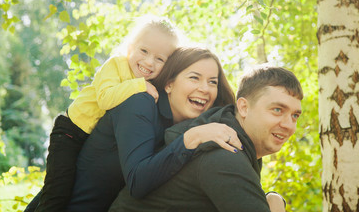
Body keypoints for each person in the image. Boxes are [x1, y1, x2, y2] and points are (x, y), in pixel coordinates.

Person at [25, 15, 181, 212]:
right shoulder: (116, 65)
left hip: (90, 139)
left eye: (160, 59)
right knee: (57, 191)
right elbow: (106, 99)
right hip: (70, 133)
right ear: (131, 46)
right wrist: (139, 85)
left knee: (67, 185)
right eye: (144, 51)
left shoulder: (148, 84)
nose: (149, 62)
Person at [66, 47, 243, 212]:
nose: (205, 89)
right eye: (194, 78)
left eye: (213, 82)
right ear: (169, 84)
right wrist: (192, 138)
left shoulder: (188, 128)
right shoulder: (140, 103)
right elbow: (137, 183)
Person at [109, 65, 303, 212]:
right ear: (243, 107)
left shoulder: (230, 137)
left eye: (295, 115)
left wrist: (273, 197)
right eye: (277, 110)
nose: (288, 124)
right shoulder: (224, 155)